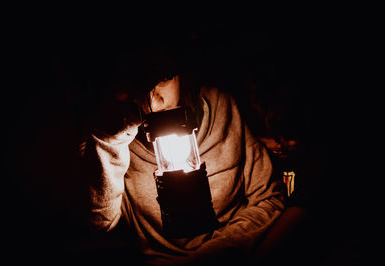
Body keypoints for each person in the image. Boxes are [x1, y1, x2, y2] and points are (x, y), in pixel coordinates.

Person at [76, 36, 285, 265]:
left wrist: (218, 252)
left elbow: (270, 198)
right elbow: (99, 223)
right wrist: (109, 139)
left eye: (163, 79)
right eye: (140, 83)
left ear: (180, 74)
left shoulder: (221, 107)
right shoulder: (112, 139)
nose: (155, 100)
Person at [237, 72, 327, 265]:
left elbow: (300, 208)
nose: (279, 145)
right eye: (268, 136)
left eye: (288, 136)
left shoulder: (313, 157)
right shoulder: (254, 152)